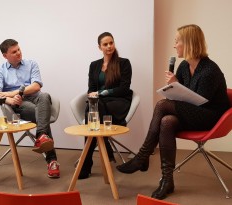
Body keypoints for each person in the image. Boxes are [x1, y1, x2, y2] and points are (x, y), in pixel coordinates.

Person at [116, 24, 230, 199]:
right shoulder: (184, 66)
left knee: (162, 105)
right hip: (191, 113)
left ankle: (143, 156)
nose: (174, 45)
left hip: (211, 116)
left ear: (189, 43)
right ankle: (167, 180)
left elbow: (199, 102)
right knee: (166, 121)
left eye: (177, 41)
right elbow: (183, 98)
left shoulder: (210, 71)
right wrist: (174, 86)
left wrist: (177, 86)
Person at [0, 39, 60, 178]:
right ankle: (51, 159)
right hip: (20, 104)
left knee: (44, 96)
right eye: (14, 52)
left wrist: (11, 93)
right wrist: (9, 99)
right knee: (42, 115)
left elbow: (36, 86)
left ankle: (40, 135)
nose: (18, 53)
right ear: (5, 56)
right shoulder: (1, 71)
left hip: (36, 97)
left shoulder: (31, 64)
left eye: (19, 50)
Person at [78, 32, 133, 179]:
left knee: (93, 108)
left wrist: (101, 93)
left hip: (118, 102)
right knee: (94, 106)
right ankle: (105, 145)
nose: (109, 46)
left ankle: (86, 162)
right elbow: (91, 88)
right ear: (99, 47)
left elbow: (124, 88)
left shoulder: (124, 63)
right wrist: (93, 95)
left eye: (111, 43)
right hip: (99, 105)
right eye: (105, 44)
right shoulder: (94, 65)